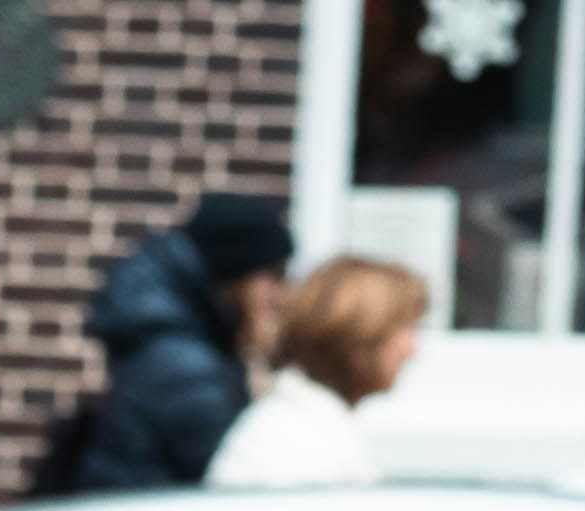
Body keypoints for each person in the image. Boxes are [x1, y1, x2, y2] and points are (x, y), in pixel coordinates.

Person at [53, 189, 293, 495]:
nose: (281, 296)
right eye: (274, 276)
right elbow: (236, 476)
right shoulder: (184, 365)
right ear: (237, 278)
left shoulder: (181, 335)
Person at [207, 252, 429, 486]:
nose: (412, 348)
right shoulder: (296, 442)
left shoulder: (304, 424)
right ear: (361, 336)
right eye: (406, 328)